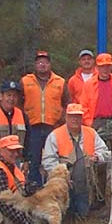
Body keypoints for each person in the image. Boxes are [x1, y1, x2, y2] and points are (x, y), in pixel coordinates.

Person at [80, 52, 112, 208]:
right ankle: (100, 197)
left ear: (111, 66)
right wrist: (90, 123)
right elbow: (83, 106)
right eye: (102, 66)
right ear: (97, 67)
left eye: (108, 66)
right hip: (97, 124)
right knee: (99, 161)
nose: (105, 69)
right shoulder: (89, 84)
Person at [42, 103, 111, 217]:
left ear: (82, 118)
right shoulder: (54, 135)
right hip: (63, 188)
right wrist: (61, 175)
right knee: (66, 215)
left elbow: (106, 153)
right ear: (66, 117)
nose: (75, 119)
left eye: (78, 116)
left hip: (85, 187)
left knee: (83, 214)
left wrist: (97, 157)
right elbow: (48, 161)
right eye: (71, 116)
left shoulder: (91, 133)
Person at [21, 50, 69, 187]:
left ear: (50, 64)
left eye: (45, 62)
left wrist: (61, 121)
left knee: (53, 161)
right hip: (32, 127)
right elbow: (18, 103)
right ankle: (34, 190)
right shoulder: (25, 81)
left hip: (53, 127)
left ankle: (54, 188)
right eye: (39, 61)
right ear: (35, 64)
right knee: (33, 160)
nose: (42, 64)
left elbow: (67, 103)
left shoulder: (60, 82)